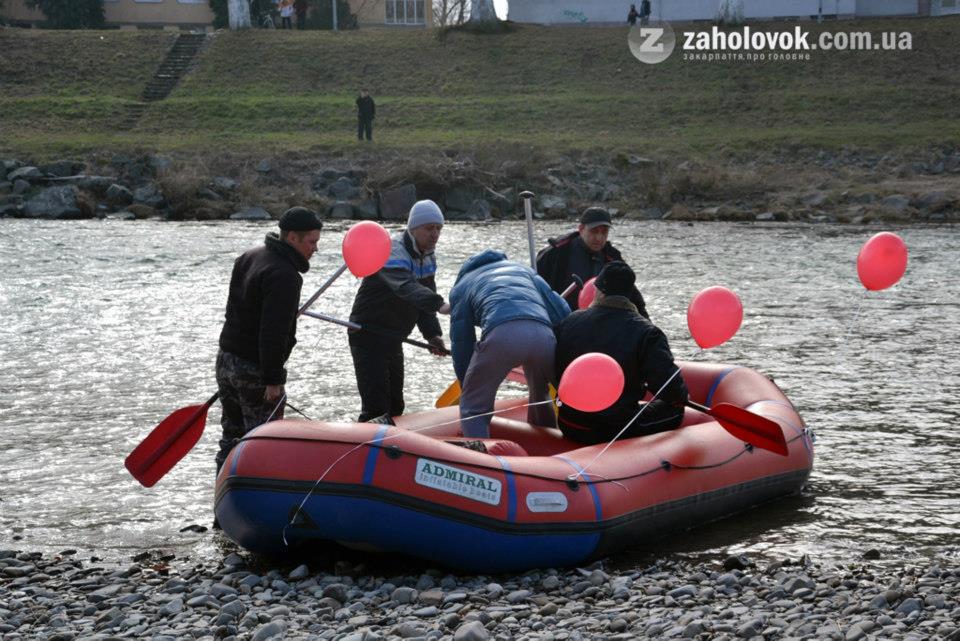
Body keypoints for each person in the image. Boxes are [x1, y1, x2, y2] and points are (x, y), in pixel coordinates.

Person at [215, 206, 323, 472]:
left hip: (226, 360)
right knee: (263, 443)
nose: (315, 249)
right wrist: (273, 379)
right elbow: (273, 331)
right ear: (292, 238)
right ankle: (255, 491)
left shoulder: (249, 256)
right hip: (255, 370)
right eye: (312, 242)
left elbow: (233, 311)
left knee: (231, 437)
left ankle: (222, 491)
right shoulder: (285, 275)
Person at [554, 261, 687, 445]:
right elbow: (670, 390)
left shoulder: (570, 320)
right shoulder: (648, 333)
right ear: (630, 294)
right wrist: (681, 396)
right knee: (676, 410)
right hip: (614, 428)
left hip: (569, 423)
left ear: (598, 291)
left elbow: (556, 370)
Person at [449, 250, 571, 438]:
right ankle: (550, 441)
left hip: (502, 334)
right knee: (540, 392)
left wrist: (467, 383)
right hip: (543, 335)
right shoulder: (523, 270)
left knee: (473, 407)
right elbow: (561, 311)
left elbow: (462, 341)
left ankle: (478, 451)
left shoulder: (461, 286)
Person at [349, 200, 448, 422]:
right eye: (429, 228)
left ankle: (391, 440)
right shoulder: (392, 252)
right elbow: (407, 288)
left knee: (395, 405)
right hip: (368, 333)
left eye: (438, 228)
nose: (435, 234)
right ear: (413, 229)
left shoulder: (428, 255)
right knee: (377, 407)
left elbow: (423, 298)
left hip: (394, 337)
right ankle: (365, 439)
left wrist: (432, 335)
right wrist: (440, 304)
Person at [536, 206, 649, 317]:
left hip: (599, 319)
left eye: (604, 232)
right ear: (581, 229)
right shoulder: (557, 253)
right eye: (594, 231)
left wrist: (647, 323)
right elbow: (535, 286)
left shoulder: (612, 257)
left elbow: (632, 294)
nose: (599, 237)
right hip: (561, 317)